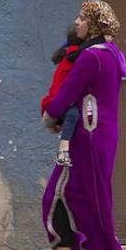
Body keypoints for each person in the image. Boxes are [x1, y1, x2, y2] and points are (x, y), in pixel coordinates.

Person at [38, 1, 126, 250]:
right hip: (99, 132)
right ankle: (66, 248)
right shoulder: (111, 53)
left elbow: (68, 91)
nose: (76, 23)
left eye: (81, 18)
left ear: (93, 25)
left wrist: (50, 115)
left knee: (88, 194)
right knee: (66, 190)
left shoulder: (91, 57)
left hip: (89, 134)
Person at [42, 25, 82, 167]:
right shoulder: (75, 55)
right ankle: (63, 149)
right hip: (56, 104)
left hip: (53, 103)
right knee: (73, 114)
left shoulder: (68, 51)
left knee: (73, 114)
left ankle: (61, 132)